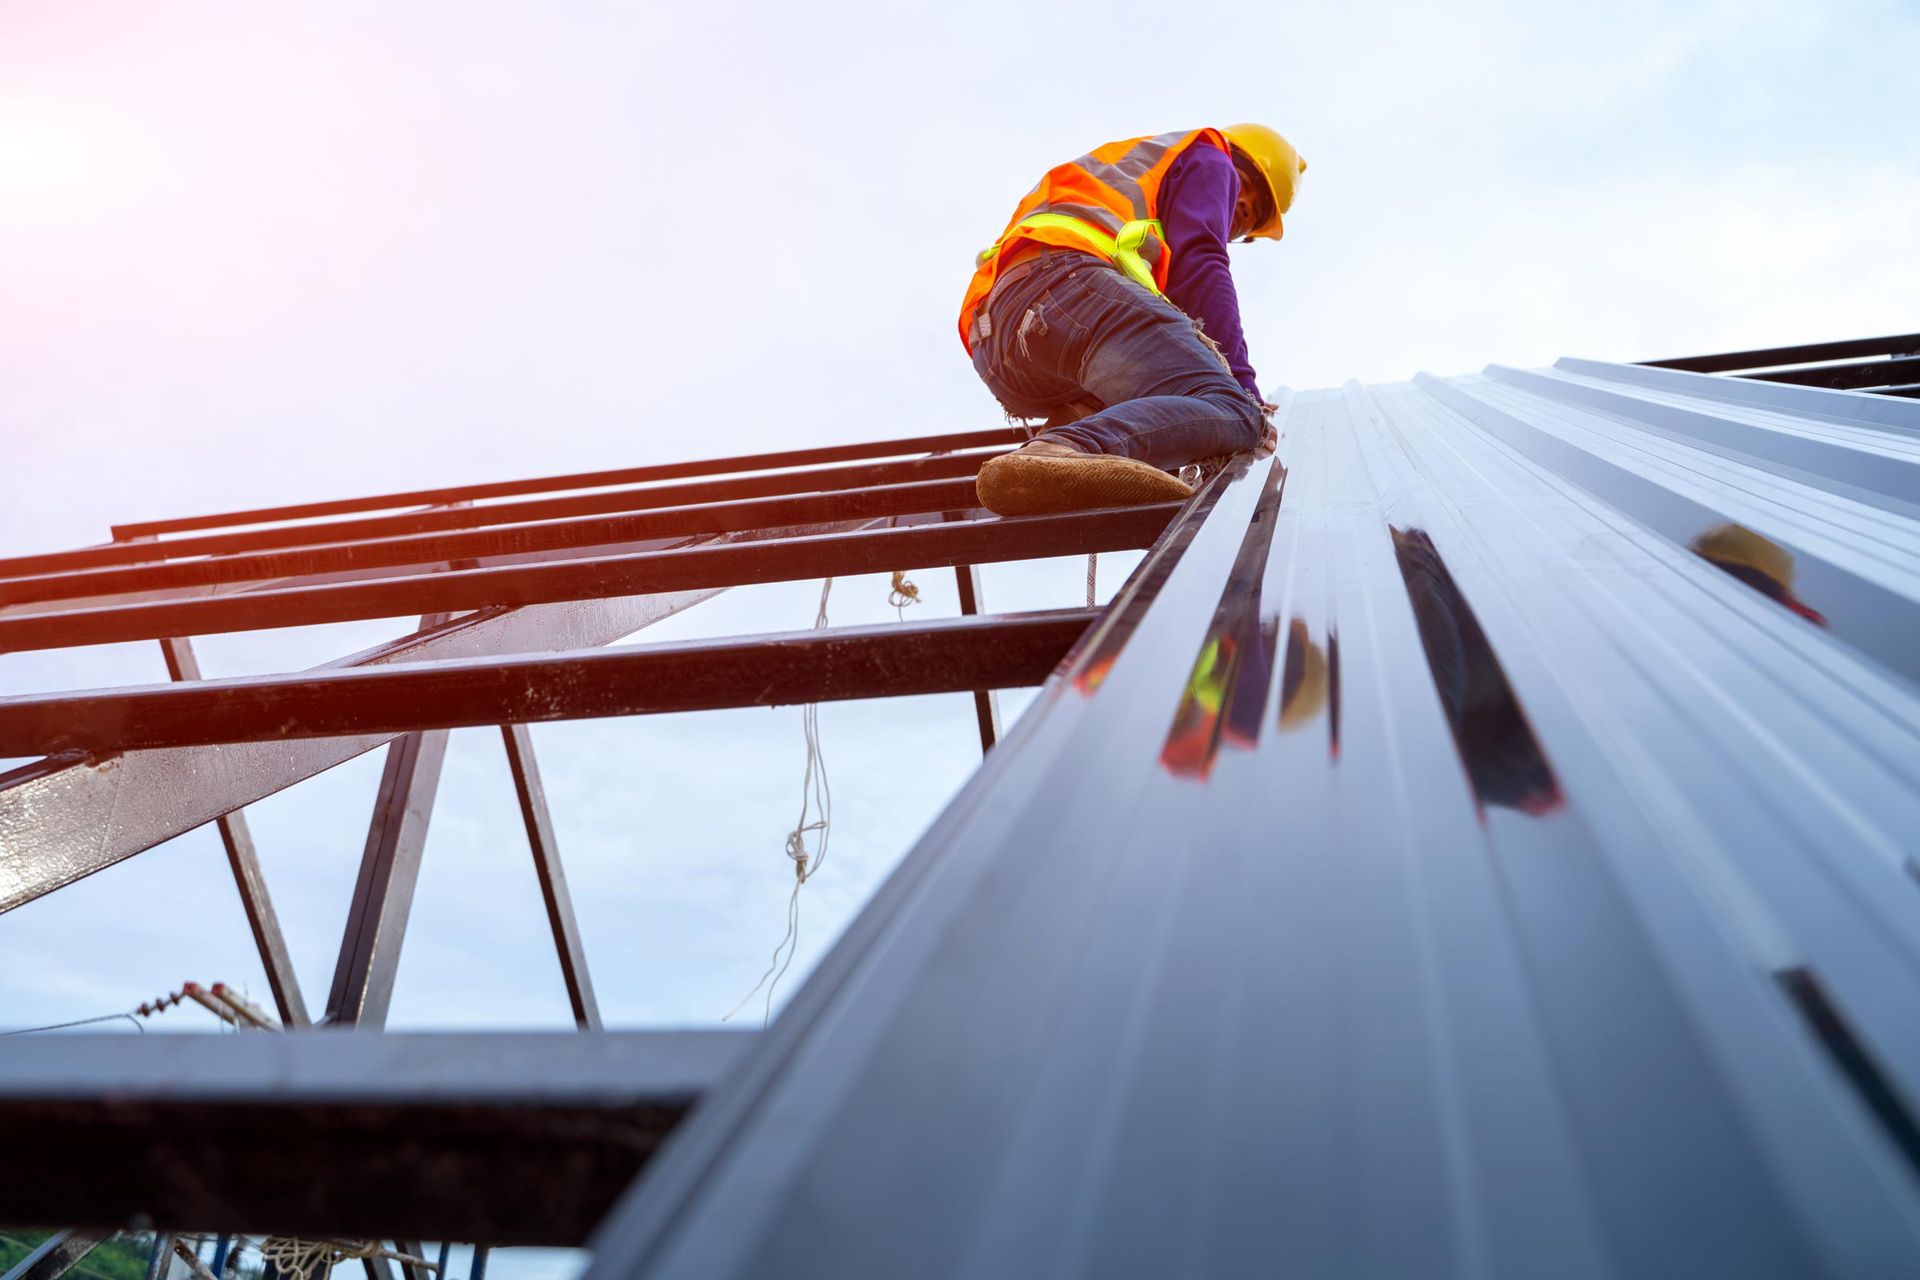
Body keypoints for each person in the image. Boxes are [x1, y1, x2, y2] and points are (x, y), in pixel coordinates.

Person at [960, 124, 1305, 516]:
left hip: (1001, 350)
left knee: (1164, 399)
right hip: (1064, 290)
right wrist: (1243, 391)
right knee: (1233, 409)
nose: (1238, 216)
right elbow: (1202, 261)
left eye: (1249, 222)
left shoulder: (1134, 192)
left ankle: (1053, 447)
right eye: (1244, 198)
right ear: (1238, 166)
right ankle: (1069, 448)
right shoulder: (1212, 157)